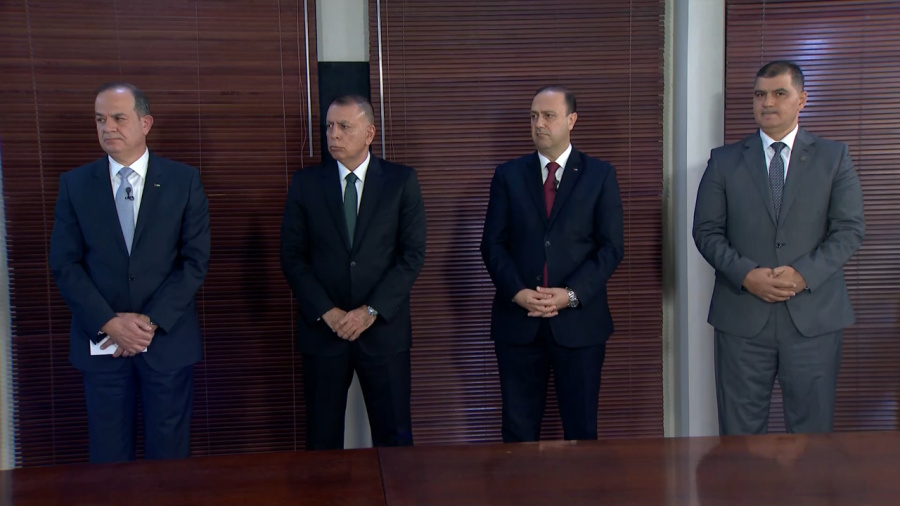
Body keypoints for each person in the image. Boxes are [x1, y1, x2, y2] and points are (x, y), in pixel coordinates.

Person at [693, 60, 865, 435]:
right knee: (740, 437)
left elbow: (849, 230)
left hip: (813, 322)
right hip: (742, 320)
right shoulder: (724, 161)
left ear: (802, 100)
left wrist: (803, 274)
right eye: (760, 94)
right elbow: (706, 232)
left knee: (812, 437)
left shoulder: (834, 157)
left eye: (779, 93)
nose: (767, 102)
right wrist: (747, 275)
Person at [49, 82, 211, 463]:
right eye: (100, 120)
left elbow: (195, 261)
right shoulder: (75, 184)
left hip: (166, 342)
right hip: (103, 345)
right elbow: (65, 264)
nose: (108, 128)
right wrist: (109, 322)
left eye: (118, 118)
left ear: (145, 123)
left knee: (169, 457)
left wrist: (148, 323)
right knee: (109, 459)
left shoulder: (183, 181)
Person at [281, 95, 426, 450]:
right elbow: (293, 257)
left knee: (394, 438)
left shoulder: (401, 181)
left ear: (369, 133)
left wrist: (370, 311)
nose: (334, 134)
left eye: (345, 126)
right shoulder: (306, 184)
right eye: (329, 126)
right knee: (322, 439)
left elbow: (411, 256)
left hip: (384, 332)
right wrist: (328, 313)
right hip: (324, 332)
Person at [480, 86, 624, 442]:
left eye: (548, 116)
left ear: (571, 120)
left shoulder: (599, 175)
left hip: (580, 325)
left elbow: (611, 248)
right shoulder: (508, 175)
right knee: (518, 432)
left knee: (581, 431)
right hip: (519, 324)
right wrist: (518, 293)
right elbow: (492, 246)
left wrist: (570, 295)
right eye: (533, 117)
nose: (539, 124)